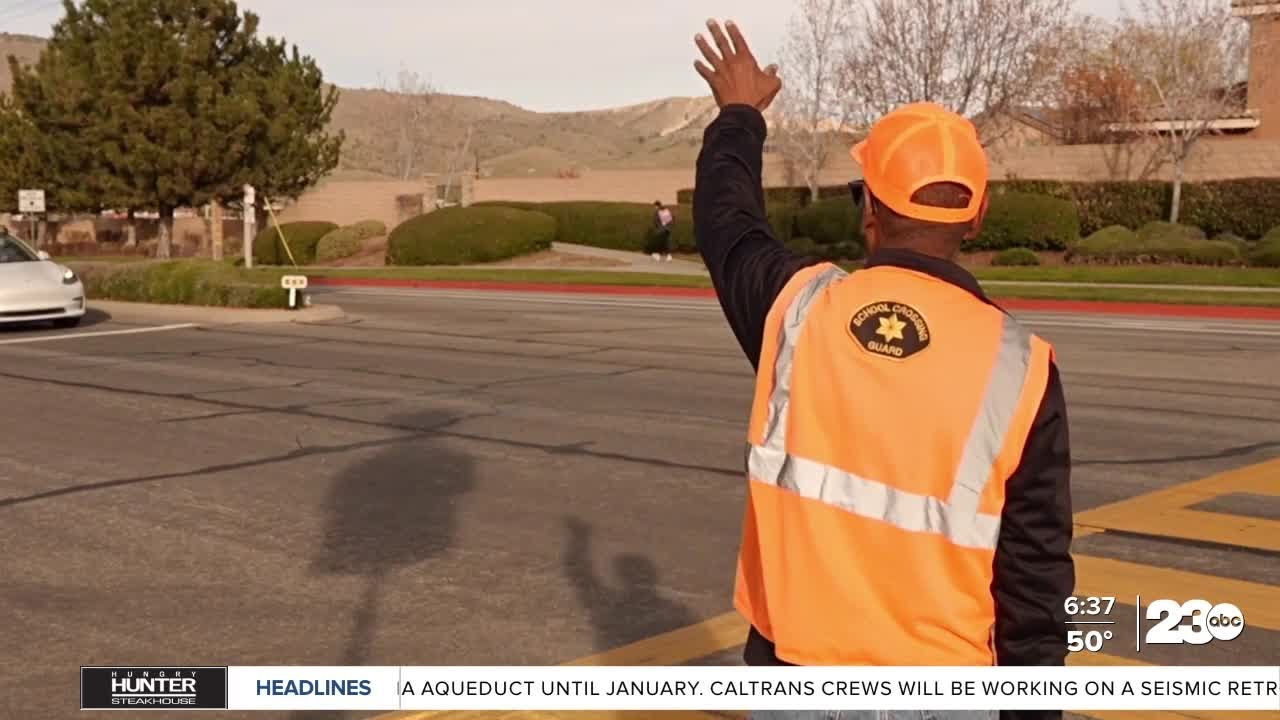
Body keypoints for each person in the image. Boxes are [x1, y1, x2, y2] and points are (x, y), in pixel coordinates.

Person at [691, 19, 1074, 720]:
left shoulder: (799, 312)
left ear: (869, 207)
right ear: (977, 217)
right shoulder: (1022, 367)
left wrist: (739, 115)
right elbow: (1035, 577)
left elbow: (727, 222)